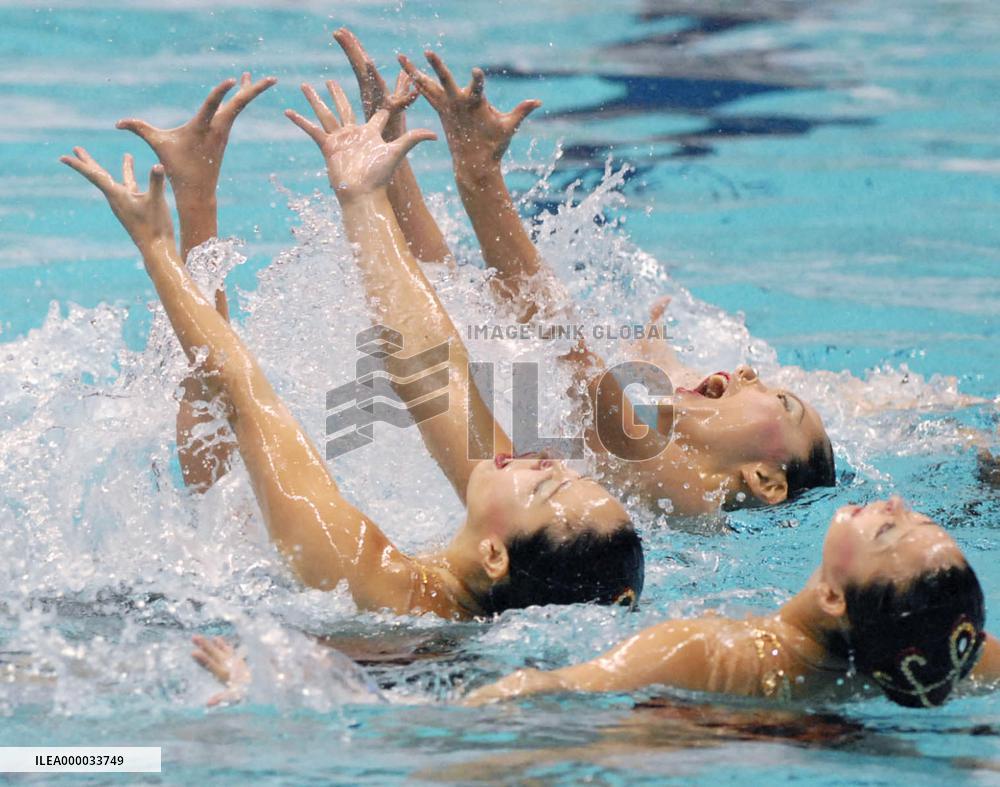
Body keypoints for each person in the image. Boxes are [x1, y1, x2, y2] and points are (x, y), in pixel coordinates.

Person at [60, 77, 643, 621]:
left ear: (495, 558)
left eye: (547, 484)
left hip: (162, 640)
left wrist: (157, 246)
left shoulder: (367, 582)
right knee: (231, 521)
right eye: (568, 469)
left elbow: (242, 398)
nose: (548, 459)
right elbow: (429, 370)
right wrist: (363, 196)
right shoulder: (499, 546)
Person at [325, 38, 834, 517]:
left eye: (782, 403)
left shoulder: (694, 489)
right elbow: (442, 300)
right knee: (464, 312)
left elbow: (563, 344)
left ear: (766, 481)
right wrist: (388, 149)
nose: (748, 372)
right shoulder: (648, 447)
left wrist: (479, 174)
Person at [465, 498, 999, 708]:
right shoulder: (923, 657)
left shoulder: (704, 650)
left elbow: (546, 690)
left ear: (834, 596)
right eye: (915, 518)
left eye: (886, 529)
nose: (895, 503)